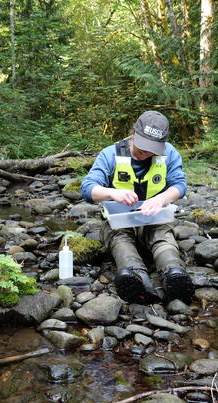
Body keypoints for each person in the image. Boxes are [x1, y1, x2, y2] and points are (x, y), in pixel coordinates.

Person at [81, 110, 194, 305]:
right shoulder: (110, 154)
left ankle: (174, 274)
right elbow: (87, 189)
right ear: (134, 133)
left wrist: (161, 199)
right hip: (119, 221)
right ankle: (135, 276)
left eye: (152, 150)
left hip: (154, 218)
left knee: (162, 236)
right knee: (120, 238)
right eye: (142, 148)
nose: (145, 154)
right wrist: (112, 193)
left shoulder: (170, 153)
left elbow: (180, 185)